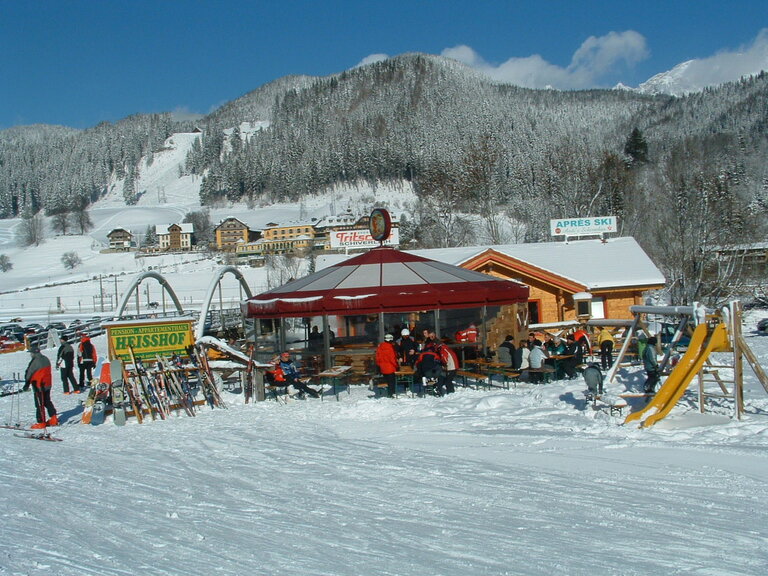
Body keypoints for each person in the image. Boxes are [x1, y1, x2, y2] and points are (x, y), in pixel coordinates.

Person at [23, 345, 58, 429]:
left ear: (34, 353)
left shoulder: (35, 361)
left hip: (38, 384)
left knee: (39, 403)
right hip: (47, 383)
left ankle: (41, 422)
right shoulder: (45, 358)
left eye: (31, 353)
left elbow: (29, 373)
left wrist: (27, 383)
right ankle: (54, 418)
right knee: (47, 401)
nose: (30, 355)